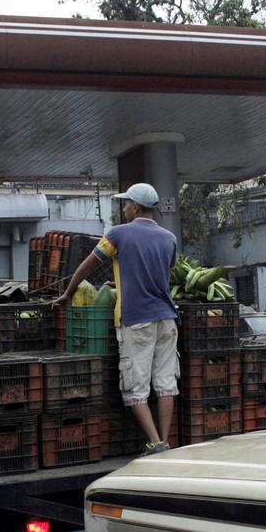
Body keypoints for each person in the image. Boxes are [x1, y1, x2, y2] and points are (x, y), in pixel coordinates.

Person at [52, 182, 179, 455]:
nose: (123, 209)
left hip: (137, 319)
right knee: (167, 384)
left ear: (135, 207)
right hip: (167, 319)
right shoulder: (169, 238)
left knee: (135, 387)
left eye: (125, 204)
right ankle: (166, 441)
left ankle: (155, 443)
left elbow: (88, 265)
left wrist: (67, 294)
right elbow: (161, 279)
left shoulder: (118, 235)